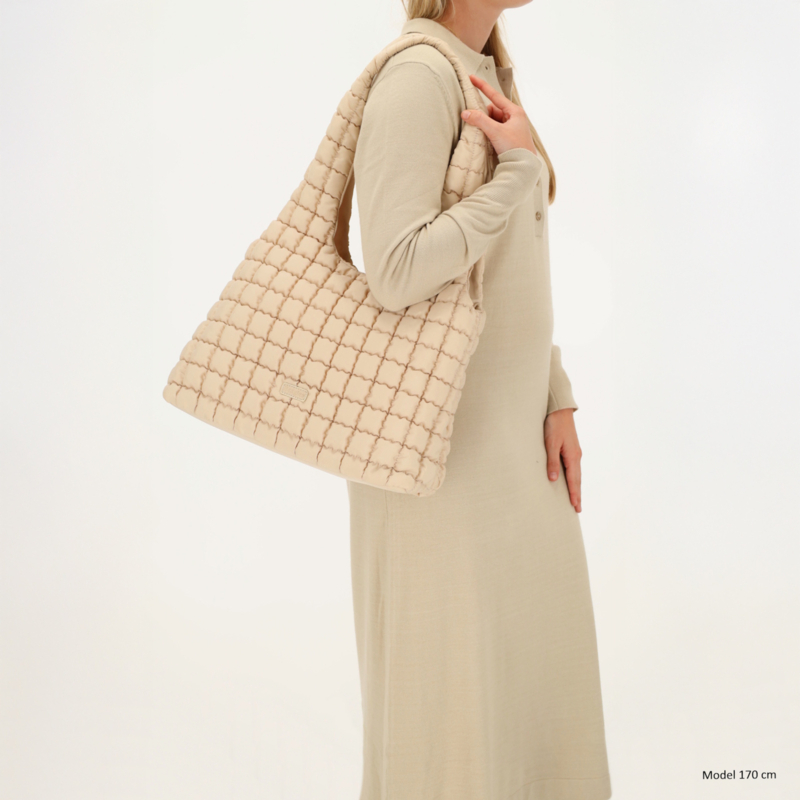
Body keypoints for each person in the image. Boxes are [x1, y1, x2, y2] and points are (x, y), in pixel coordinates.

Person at [347, 2, 612, 798]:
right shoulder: (417, 78)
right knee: (453, 698)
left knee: (531, 680)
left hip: (511, 438)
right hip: (442, 452)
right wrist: (520, 171)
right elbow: (396, 270)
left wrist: (554, 391)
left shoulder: (485, 68)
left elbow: (506, 272)